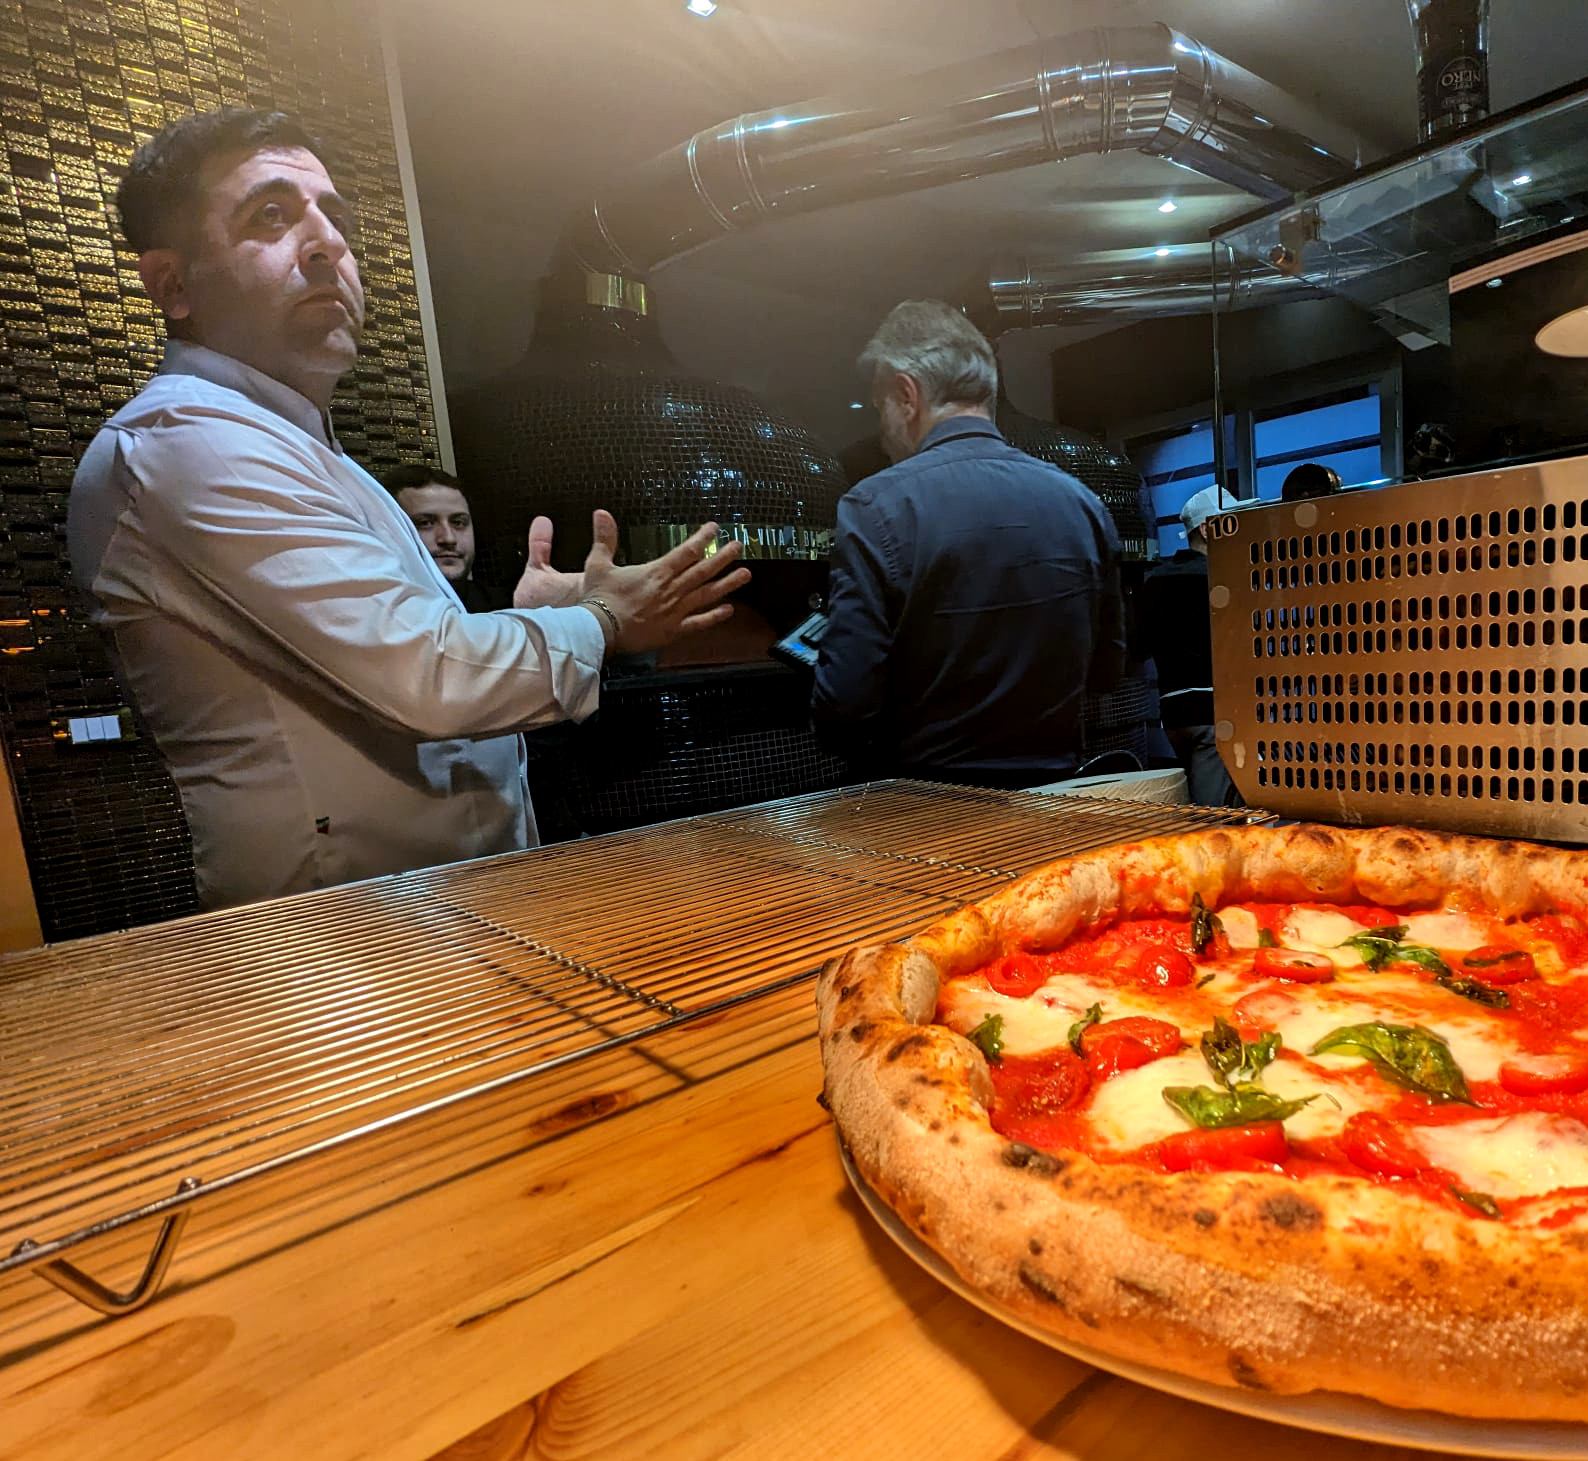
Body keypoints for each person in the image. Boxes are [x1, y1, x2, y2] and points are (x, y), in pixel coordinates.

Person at [67, 107, 749, 909]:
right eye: (272, 215)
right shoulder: (188, 441)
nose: (326, 243)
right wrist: (602, 621)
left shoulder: (304, 448)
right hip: (339, 941)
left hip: (430, 916)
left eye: (335, 216)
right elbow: (426, 677)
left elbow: (409, 649)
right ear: (172, 284)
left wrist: (533, 617)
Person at [812, 301, 1123, 787]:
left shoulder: (875, 507)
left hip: (924, 810)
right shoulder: (1083, 503)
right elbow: (1107, 672)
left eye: (880, 408)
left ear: (907, 394)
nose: (882, 430)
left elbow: (844, 710)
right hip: (1053, 802)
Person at [1134, 484, 1241, 806]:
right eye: (1231, 522)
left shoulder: (1154, 581)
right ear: (1207, 529)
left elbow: (1137, 648)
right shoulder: (1222, 579)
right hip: (1215, 713)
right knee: (1215, 816)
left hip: (1173, 714)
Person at [381, 463, 507, 612]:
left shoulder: (509, 611)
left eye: (458, 522)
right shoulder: (371, 616)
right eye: (425, 523)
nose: (449, 539)